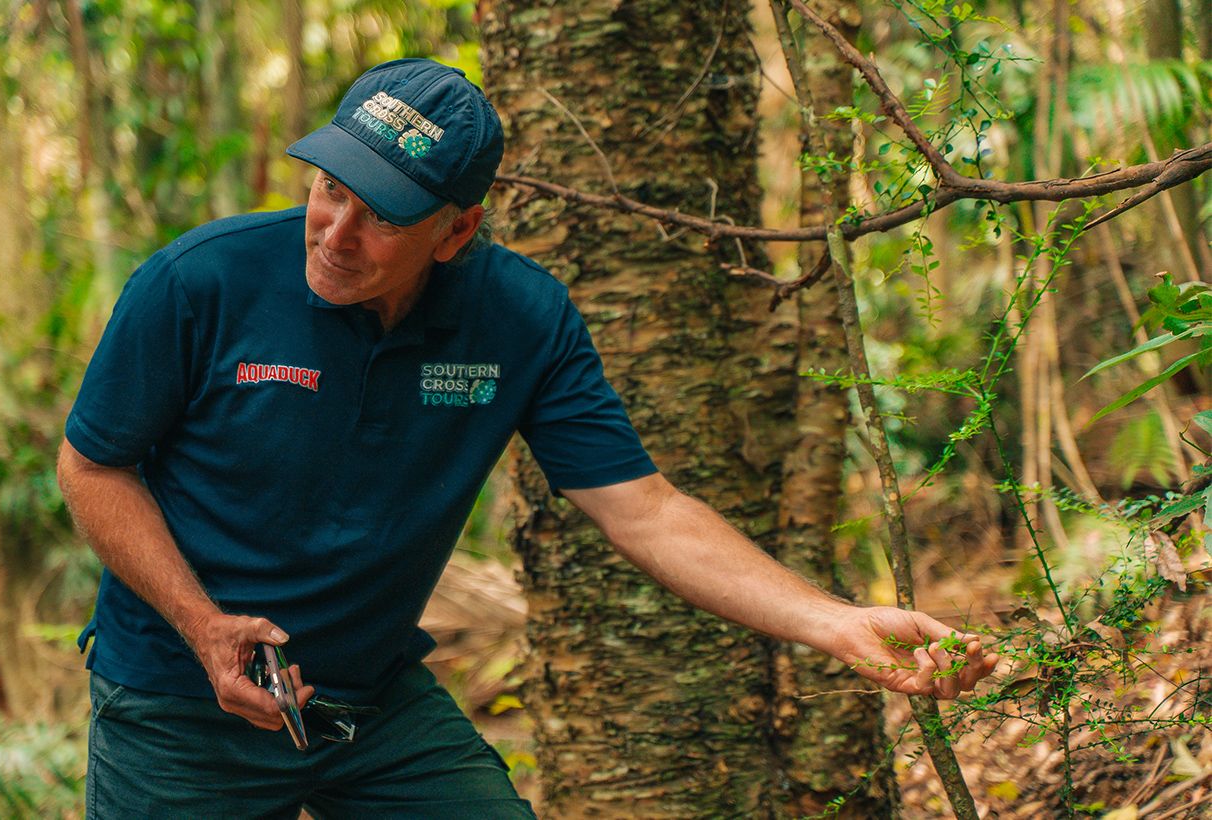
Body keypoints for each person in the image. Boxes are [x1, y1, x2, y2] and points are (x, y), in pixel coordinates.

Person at [56, 58, 998, 817]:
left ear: (457, 230)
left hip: (368, 703)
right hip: (179, 700)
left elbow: (646, 509)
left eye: (382, 214)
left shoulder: (520, 319)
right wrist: (204, 628)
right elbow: (93, 463)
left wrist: (835, 623)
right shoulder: (199, 284)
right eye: (328, 188)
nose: (336, 231)